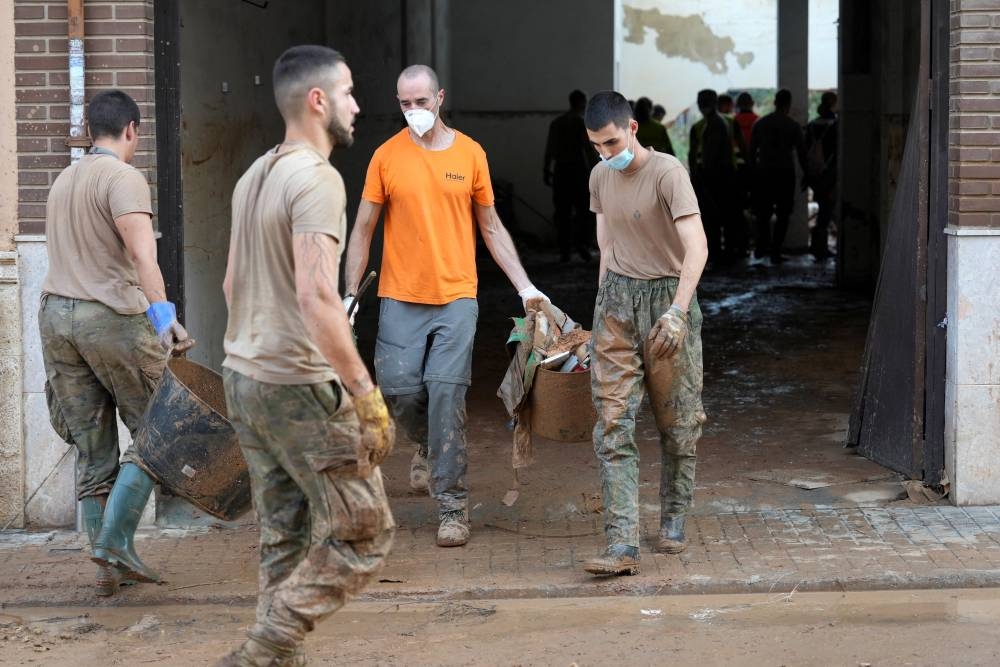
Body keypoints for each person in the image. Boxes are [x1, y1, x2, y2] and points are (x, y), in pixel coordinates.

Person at [218, 45, 395, 665]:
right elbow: (319, 294)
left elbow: (231, 286)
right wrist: (364, 393)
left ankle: (273, 658)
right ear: (317, 101)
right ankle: (264, 646)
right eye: (348, 92)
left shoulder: (254, 175)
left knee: (284, 534)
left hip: (243, 377)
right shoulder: (316, 179)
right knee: (365, 533)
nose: (357, 105)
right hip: (296, 384)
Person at [345, 64, 550, 548]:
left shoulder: (470, 154)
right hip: (399, 295)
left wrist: (526, 287)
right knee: (397, 391)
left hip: (457, 297)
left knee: (445, 394)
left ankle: (452, 506)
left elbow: (492, 227)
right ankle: (426, 443)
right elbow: (363, 230)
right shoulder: (386, 157)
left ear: (440, 98)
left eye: (421, 101)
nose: (413, 111)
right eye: (404, 103)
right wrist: (351, 295)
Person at [38, 90, 191, 597]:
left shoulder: (64, 178)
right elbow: (143, 256)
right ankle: (116, 541)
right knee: (157, 430)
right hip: (111, 319)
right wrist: (165, 317)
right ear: (132, 129)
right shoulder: (123, 178)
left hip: (56, 317)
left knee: (92, 444)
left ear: (88, 129)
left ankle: (106, 565)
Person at [581, 91, 708, 576]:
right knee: (612, 423)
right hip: (616, 302)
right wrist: (598, 315)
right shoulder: (599, 177)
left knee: (678, 423)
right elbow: (606, 246)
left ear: (632, 128)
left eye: (611, 143)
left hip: (667, 299)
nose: (606, 155)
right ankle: (621, 544)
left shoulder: (668, 174)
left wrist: (678, 311)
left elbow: (696, 247)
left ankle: (674, 515)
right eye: (596, 147)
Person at [748, 89, 807, 265]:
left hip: (764, 173)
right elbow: (802, 155)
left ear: (774, 102)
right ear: (788, 105)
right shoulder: (793, 126)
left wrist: (753, 174)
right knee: (783, 214)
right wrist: (808, 175)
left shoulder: (760, 124)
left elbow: (751, 152)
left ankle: (762, 245)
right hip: (784, 174)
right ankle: (775, 251)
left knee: (763, 213)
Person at [543, 89, 597, 262]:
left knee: (562, 212)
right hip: (579, 171)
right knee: (585, 212)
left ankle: (565, 250)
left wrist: (545, 169)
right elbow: (587, 149)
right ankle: (583, 246)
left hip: (561, 171)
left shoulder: (557, 123)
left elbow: (549, 148)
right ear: (581, 103)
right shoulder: (582, 123)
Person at [688, 89, 740, 263]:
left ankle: (721, 254)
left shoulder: (715, 124)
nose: (702, 104)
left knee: (716, 217)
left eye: (704, 101)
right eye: (701, 101)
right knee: (723, 216)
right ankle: (725, 253)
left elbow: (710, 155)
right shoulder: (716, 122)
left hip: (717, 176)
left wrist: (700, 177)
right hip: (722, 175)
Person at [805, 91, 838, 260]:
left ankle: (818, 246)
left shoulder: (812, 125)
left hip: (814, 174)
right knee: (827, 210)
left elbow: (805, 151)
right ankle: (821, 248)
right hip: (830, 174)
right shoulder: (836, 125)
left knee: (823, 207)